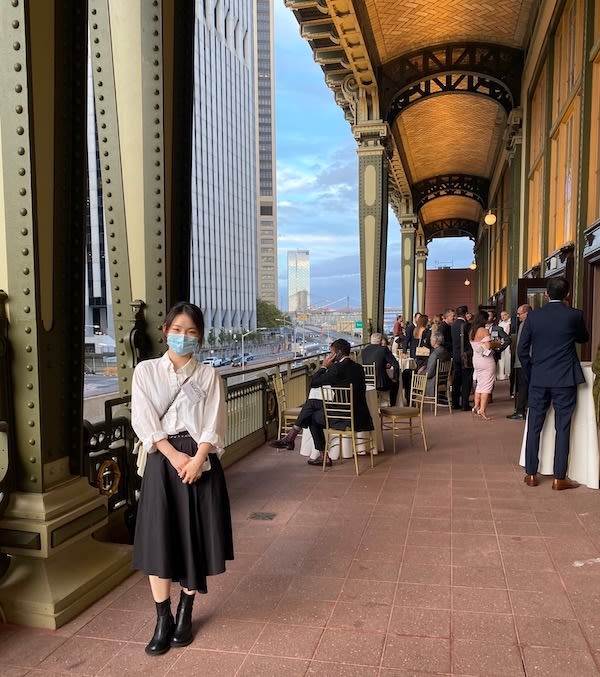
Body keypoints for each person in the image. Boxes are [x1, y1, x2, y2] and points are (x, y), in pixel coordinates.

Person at [131, 302, 233, 655]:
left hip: (200, 463)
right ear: (165, 331)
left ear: (200, 337)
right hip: (163, 461)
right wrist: (175, 458)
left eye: (191, 332)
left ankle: (185, 610)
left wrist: (198, 460)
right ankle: (162, 619)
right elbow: (144, 419)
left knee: (195, 538)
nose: (183, 337)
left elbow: (213, 423)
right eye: (177, 330)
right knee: (159, 538)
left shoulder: (208, 376)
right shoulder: (145, 372)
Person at [519, 277, 589, 489]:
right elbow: (583, 338)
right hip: (565, 378)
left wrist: (532, 372)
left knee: (534, 426)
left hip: (539, 377)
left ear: (546, 294)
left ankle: (531, 474)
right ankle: (559, 477)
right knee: (563, 427)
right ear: (567, 294)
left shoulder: (534, 317)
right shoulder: (574, 315)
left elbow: (522, 350)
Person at [270, 338, 374, 465]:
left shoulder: (336, 368)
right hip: (360, 416)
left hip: (343, 417)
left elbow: (314, 383)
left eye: (331, 353)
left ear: (338, 353)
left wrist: (324, 366)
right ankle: (293, 437)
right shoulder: (358, 368)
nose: (329, 356)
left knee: (312, 412)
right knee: (312, 408)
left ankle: (316, 451)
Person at [469, 310, 497, 419]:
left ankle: (476, 406)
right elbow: (488, 346)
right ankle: (482, 410)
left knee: (480, 384)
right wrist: (496, 343)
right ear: (484, 319)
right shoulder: (484, 330)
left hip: (476, 359)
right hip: (486, 360)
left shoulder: (471, 331)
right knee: (487, 386)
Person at [506, 304, 532, 420]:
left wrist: (521, 360)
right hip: (528, 361)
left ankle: (520, 410)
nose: (517, 316)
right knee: (526, 386)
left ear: (526, 313)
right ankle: (526, 409)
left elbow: (522, 346)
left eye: (519, 313)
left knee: (522, 386)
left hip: (523, 361)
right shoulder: (533, 324)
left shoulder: (525, 325)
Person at [361, 332, 400, 406]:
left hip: (368, 382)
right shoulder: (383, 349)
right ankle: (393, 406)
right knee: (395, 384)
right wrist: (395, 378)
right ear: (381, 341)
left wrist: (383, 365)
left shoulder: (364, 351)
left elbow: (371, 363)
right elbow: (396, 365)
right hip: (381, 383)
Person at [402, 314, 431, 404]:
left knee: (412, 373)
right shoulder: (426, 331)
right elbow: (427, 344)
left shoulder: (415, 330)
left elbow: (407, 340)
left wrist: (404, 351)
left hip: (415, 354)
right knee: (419, 373)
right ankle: (417, 391)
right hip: (424, 355)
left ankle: (411, 394)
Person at [451, 305, 474, 411]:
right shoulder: (467, 325)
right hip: (465, 355)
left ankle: (455, 402)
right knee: (466, 380)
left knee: (456, 380)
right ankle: (465, 404)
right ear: (466, 314)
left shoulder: (453, 324)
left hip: (456, 355)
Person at [421, 331, 450, 398]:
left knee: (411, 377)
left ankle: (412, 402)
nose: (430, 341)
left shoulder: (434, 354)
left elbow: (429, 373)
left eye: (431, 339)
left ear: (435, 341)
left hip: (433, 381)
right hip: (443, 380)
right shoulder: (445, 352)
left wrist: (421, 373)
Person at [497, 310, 512, 380]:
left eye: (504, 315)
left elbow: (508, 332)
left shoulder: (511, 322)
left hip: (508, 342)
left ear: (508, 315)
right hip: (501, 342)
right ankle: (501, 373)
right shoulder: (500, 324)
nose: (503, 317)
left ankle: (508, 373)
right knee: (501, 358)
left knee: (508, 357)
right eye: (501, 315)